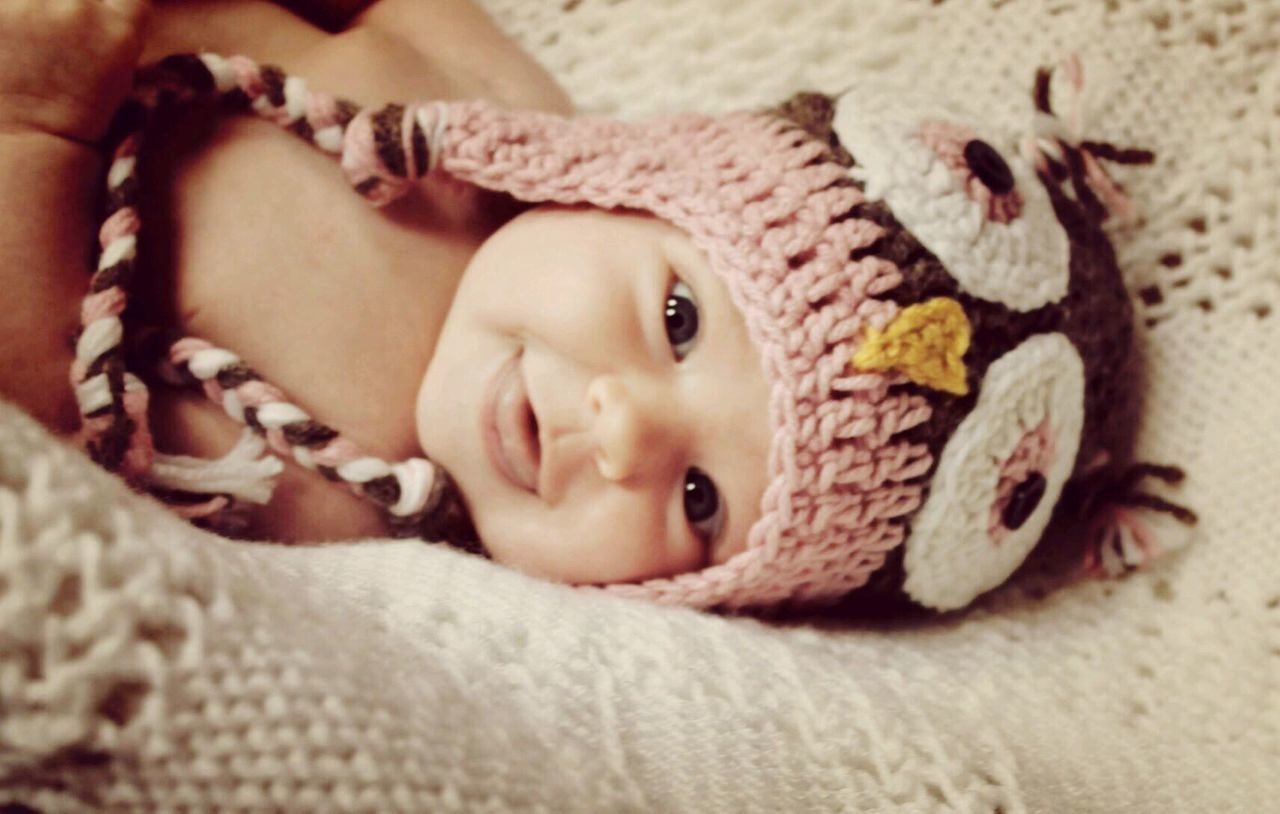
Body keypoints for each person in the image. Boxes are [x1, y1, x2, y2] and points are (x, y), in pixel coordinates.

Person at [0, 0, 1182, 613]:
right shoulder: (494, 97)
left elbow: (39, 404)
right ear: (636, 187)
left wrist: (37, 128)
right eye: (677, 321)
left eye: (700, 499)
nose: (621, 434)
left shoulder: (331, 496)